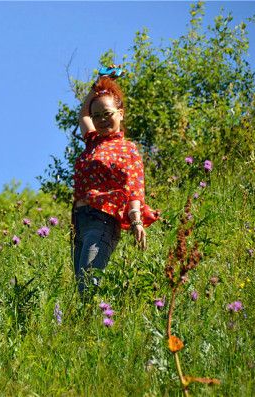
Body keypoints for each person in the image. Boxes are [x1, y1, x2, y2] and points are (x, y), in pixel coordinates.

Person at [72, 68, 158, 294]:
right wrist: (100, 83)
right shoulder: (92, 141)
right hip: (79, 222)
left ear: (120, 113)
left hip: (103, 220)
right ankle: (85, 325)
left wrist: (137, 221)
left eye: (107, 114)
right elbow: (83, 114)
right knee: (81, 285)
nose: (101, 120)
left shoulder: (127, 149)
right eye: (97, 116)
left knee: (87, 283)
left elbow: (134, 188)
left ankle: (94, 323)